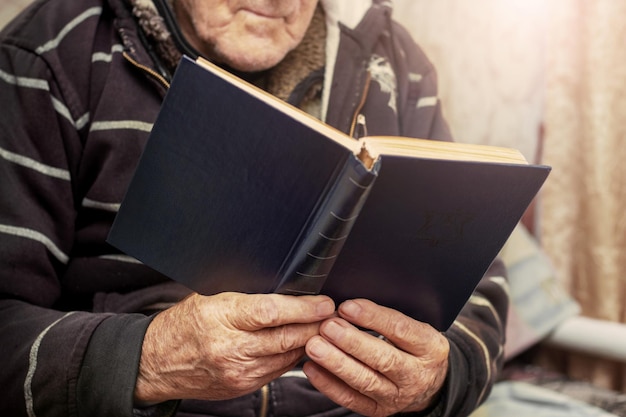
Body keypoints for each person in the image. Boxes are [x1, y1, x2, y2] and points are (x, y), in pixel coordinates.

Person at [0, 0, 509, 416]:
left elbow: (478, 292)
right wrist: (148, 359)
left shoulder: (397, 62)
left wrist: (438, 378)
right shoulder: (51, 52)